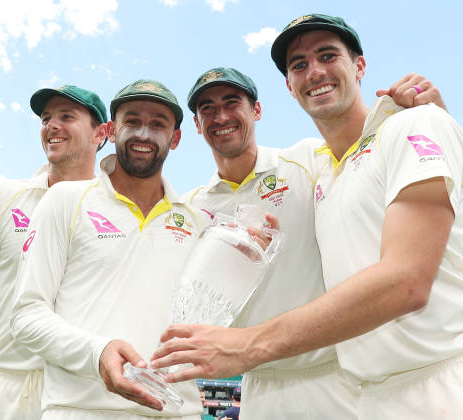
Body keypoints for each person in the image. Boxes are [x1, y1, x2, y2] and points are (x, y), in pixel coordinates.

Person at [151, 14, 463, 420]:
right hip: (372, 395)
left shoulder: (413, 124)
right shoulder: (327, 172)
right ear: (290, 87)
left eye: (328, 55)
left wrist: (247, 345)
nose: (315, 72)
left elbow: (407, 281)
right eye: (299, 65)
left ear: (360, 66)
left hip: (461, 381)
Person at [181, 67, 444, 419]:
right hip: (258, 384)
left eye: (232, 103)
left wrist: (424, 108)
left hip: (334, 377)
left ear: (256, 111)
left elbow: (374, 150)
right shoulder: (193, 208)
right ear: (197, 125)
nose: (222, 116)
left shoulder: (307, 160)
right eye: (207, 109)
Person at [9, 79, 237, 420]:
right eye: (132, 121)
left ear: (175, 139)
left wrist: (249, 261)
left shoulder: (195, 222)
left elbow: (214, 319)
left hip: (177, 412)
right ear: (112, 131)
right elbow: (25, 316)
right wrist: (97, 352)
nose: (143, 134)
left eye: (158, 124)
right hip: (82, 410)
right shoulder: (66, 201)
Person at [0, 85, 108, 420]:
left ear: (101, 134)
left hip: (76, 394)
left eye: (67, 117)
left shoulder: (114, 211)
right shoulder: (5, 197)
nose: (51, 125)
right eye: (46, 118)